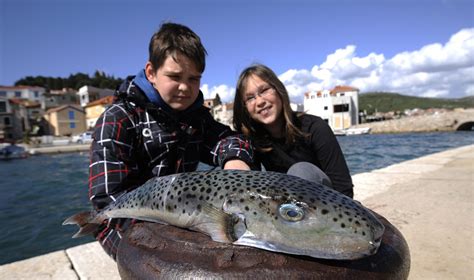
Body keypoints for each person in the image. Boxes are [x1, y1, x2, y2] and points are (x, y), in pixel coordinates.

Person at [88, 22, 254, 260]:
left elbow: (228, 138)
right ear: (151, 73)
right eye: (174, 76)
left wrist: (236, 159)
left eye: (194, 78)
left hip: (179, 219)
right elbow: (107, 199)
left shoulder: (197, 118)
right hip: (125, 227)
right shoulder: (118, 119)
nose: (185, 87)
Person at [232, 64, 353, 198]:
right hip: (288, 207)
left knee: (301, 171)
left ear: (279, 90)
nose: (260, 101)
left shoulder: (315, 127)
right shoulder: (256, 141)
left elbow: (343, 187)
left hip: (327, 204)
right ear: (245, 108)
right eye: (250, 98)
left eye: (265, 90)